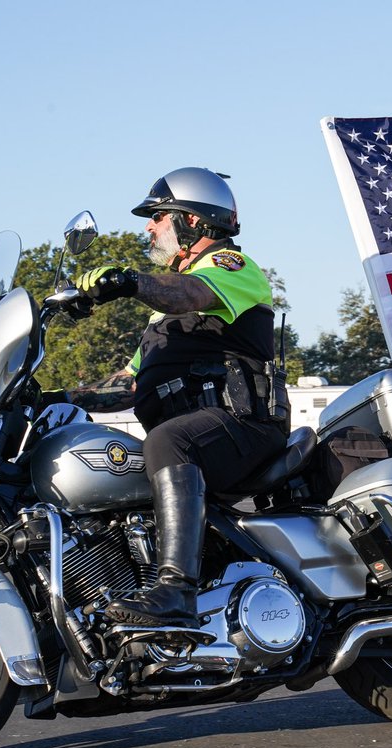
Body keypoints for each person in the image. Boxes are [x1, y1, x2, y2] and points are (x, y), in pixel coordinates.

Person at [66, 167, 288, 628]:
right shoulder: (160, 323)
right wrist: (54, 395)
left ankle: (175, 593)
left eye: (158, 216)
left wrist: (128, 281)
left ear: (193, 221)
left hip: (244, 425)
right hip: (207, 432)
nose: (148, 226)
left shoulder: (231, 269)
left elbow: (190, 292)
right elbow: (126, 385)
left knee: (168, 443)